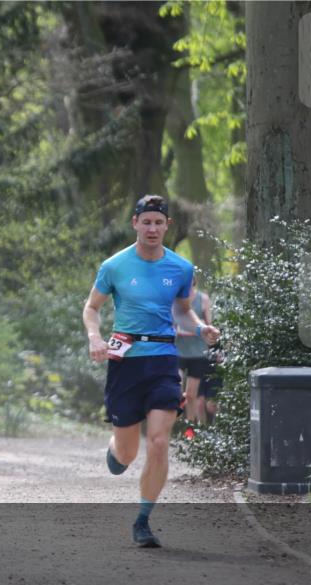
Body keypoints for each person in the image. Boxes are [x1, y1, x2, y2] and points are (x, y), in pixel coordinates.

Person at [82, 194, 220, 548]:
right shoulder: (114, 266)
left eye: (159, 223)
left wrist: (200, 327)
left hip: (162, 358)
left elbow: (184, 309)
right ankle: (116, 451)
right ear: (135, 223)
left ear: (167, 226)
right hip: (124, 359)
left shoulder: (181, 268)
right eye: (147, 222)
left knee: (159, 442)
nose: (153, 228)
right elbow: (92, 308)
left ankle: (143, 520)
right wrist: (95, 337)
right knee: (127, 453)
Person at [174, 276, 212, 423]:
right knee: (175, 386)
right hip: (178, 351)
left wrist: (193, 329)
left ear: (193, 281)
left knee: (191, 395)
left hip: (198, 353)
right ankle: (178, 404)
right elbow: (172, 325)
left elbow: (208, 325)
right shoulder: (175, 299)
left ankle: (190, 429)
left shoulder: (203, 299)